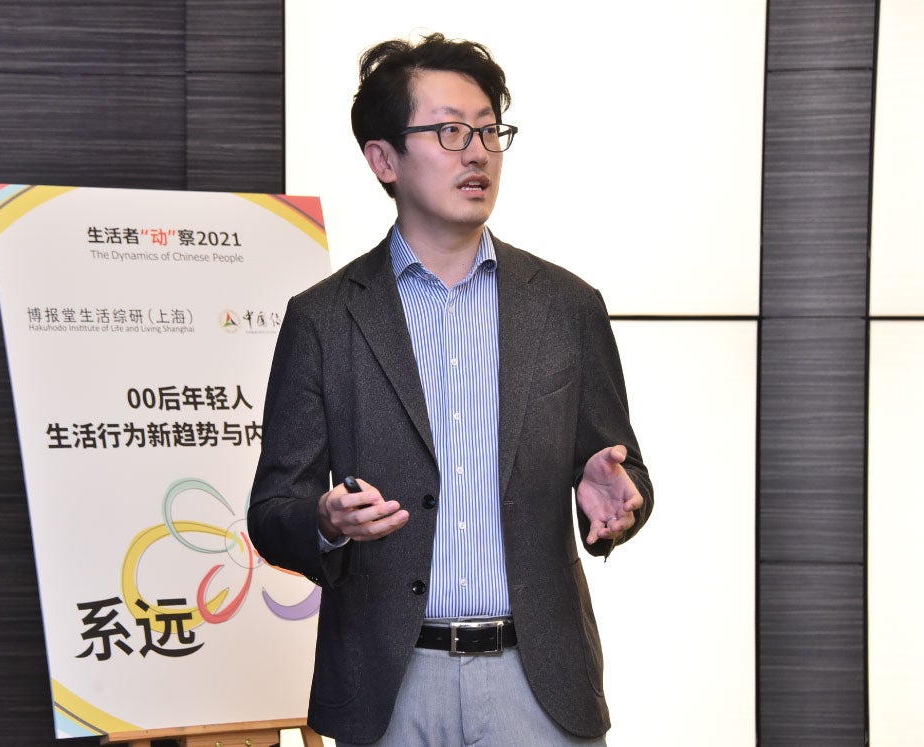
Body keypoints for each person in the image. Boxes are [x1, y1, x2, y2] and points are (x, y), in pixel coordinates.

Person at [248, 33, 653, 746]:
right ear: (384, 160)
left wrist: (618, 500)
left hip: (539, 684)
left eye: (490, 131)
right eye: (449, 131)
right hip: (389, 685)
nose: (478, 152)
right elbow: (273, 510)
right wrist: (326, 520)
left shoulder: (566, 306)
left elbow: (625, 475)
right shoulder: (324, 318)